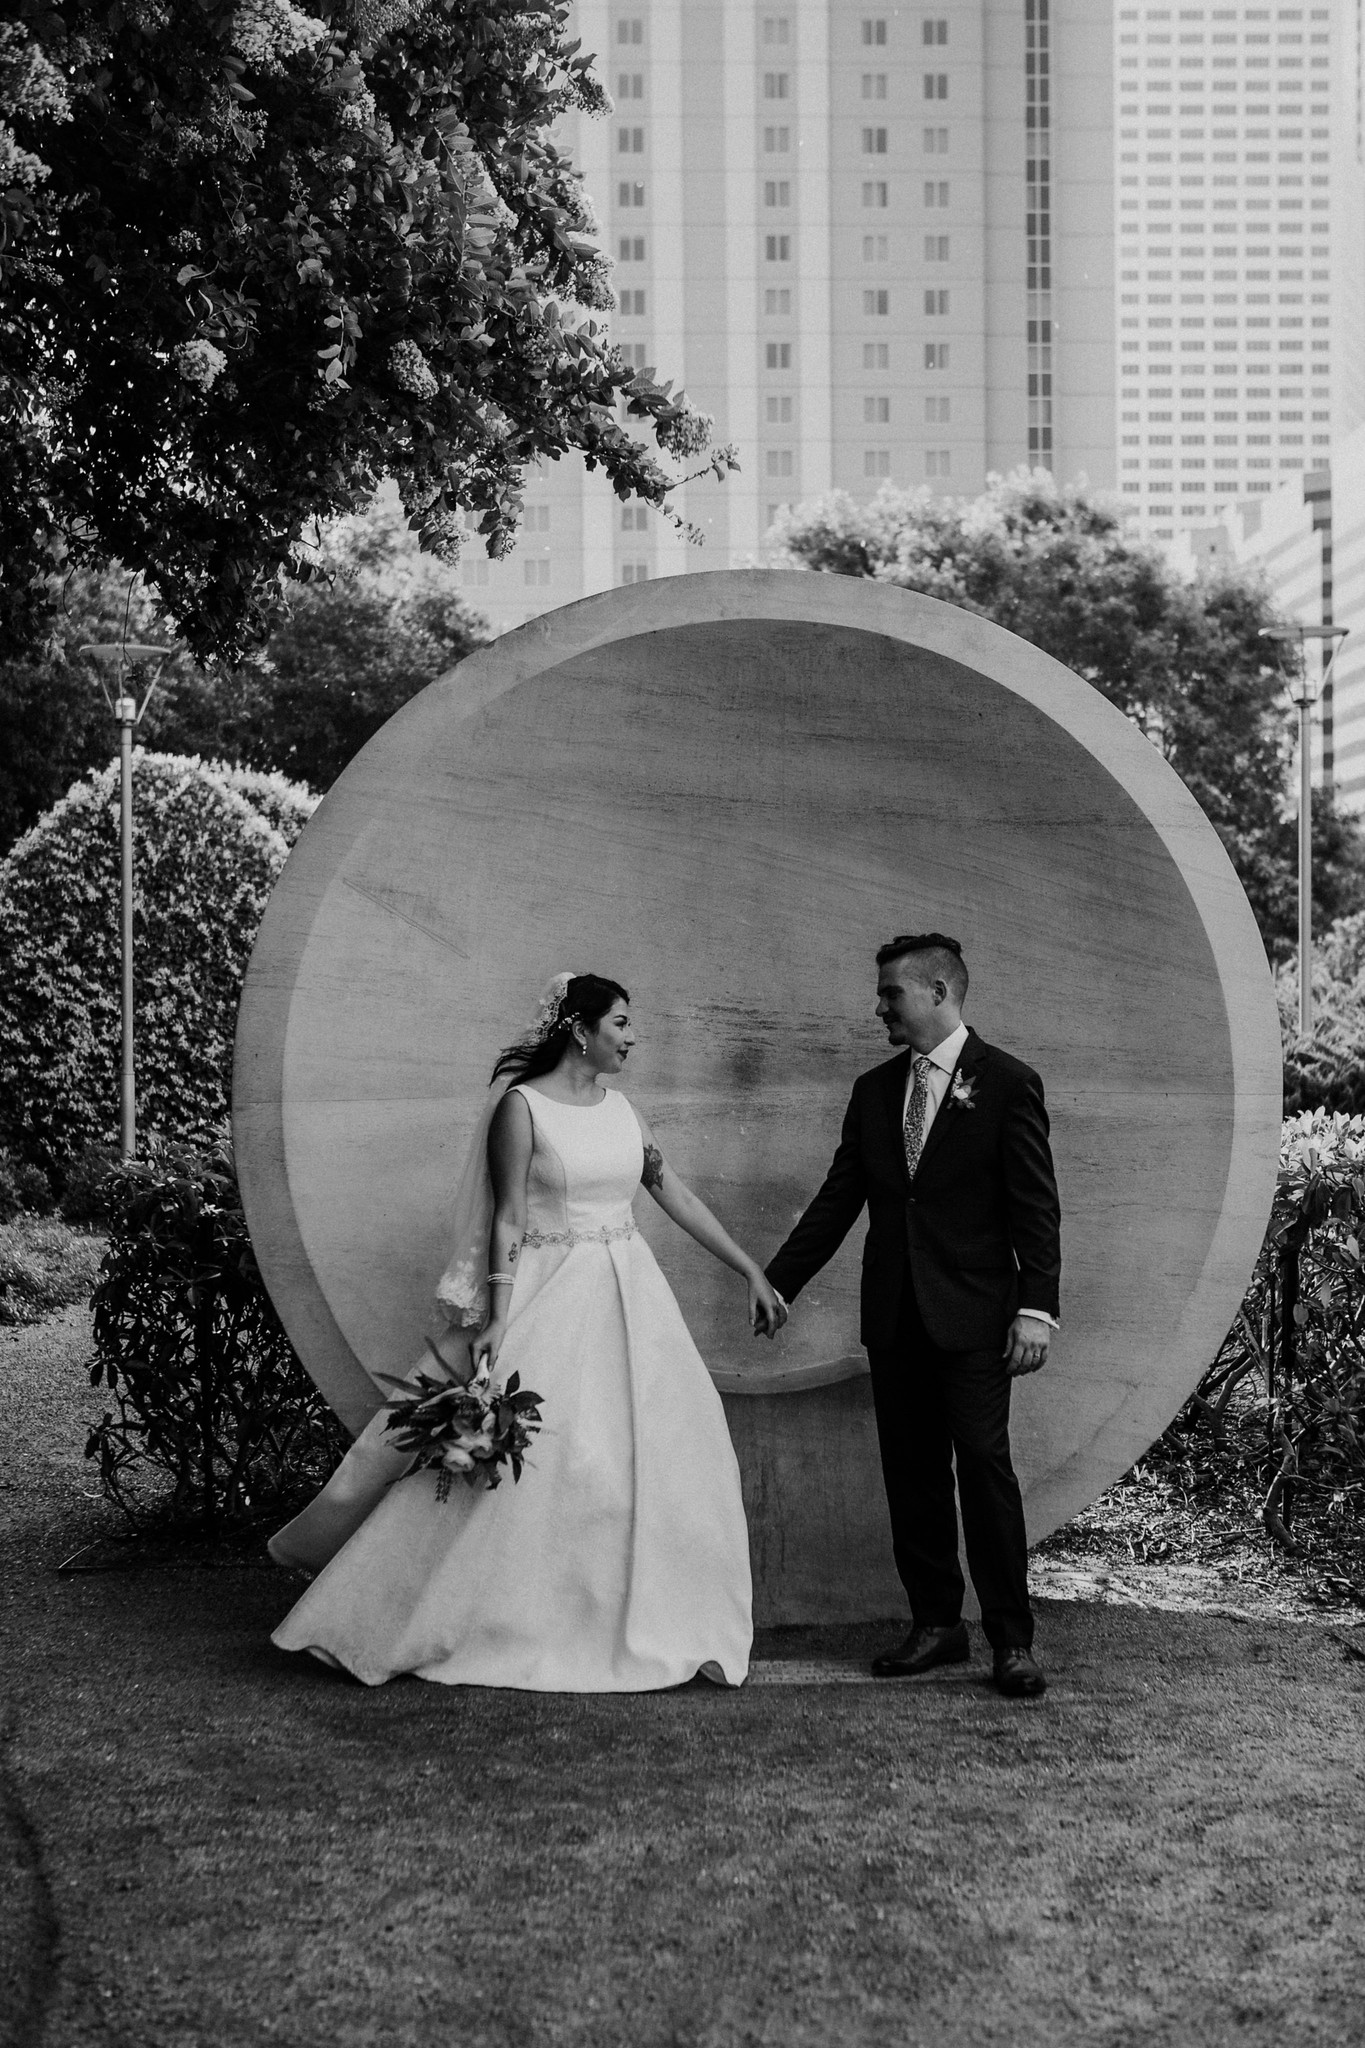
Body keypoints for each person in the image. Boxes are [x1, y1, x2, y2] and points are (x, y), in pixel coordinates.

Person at [269, 972, 784, 1692]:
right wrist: (501, 1316)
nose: (632, 1038)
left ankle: (626, 1617)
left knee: (651, 1455)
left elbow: (672, 1191)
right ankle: (471, 1619)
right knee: (541, 1464)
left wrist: (748, 1269)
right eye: (622, 1023)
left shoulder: (625, 1111)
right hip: (550, 1290)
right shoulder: (523, 1109)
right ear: (581, 1028)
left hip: (632, 1299)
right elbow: (508, 1217)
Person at [765, 934, 1061, 1698]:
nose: (879, 1008)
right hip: (894, 1316)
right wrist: (777, 1283)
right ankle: (935, 1624)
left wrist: (1035, 1309)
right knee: (912, 1476)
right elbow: (838, 1201)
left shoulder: (1006, 1083)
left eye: (891, 994)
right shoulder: (871, 1091)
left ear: (936, 991)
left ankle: (1011, 1639)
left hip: (976, 1318)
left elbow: (1035, 1210)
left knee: (984, 1471)